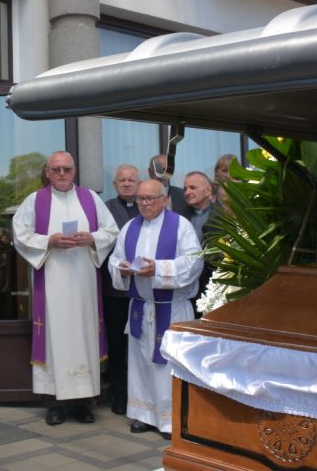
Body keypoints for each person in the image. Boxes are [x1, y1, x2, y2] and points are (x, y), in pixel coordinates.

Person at [12, 151, 118, 426]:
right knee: (55, 337)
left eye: (66, 169)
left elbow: (111, 231)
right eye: (56, 169)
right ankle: (55, 403)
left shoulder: (91, 198)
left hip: (84, 284)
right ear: (47, 172)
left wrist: (91, 238)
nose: (61, 174)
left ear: (74, 171)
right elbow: (20, 234)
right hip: (52, 283)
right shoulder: (36, 200)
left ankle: (83, 403)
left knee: (83, 336)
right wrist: (50, 241)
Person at [109, 178, 203, 441]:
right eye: (140, 198)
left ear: (164, 199)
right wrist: (122, 268)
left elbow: (194, 262)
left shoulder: (180, 226)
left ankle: (170, 419)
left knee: (167, 365)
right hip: (141, 306)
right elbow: (115, 259)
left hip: (170, 308)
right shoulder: (129, 227)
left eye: (150, 198)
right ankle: (144, 415)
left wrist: (158, 269)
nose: (144, 203)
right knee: (141, 363)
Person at [101, 164, 140, 415]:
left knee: (139, 345)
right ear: (114, 185)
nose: (126, 184)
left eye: (131, 180)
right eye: (121, 180)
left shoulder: (148, 207)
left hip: (145, 291)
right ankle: (118, 394)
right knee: (117, 343)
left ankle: (139, 395)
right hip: (115, 291)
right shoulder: (105, 209)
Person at [181, 171, 214, 239]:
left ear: (208, 190)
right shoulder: (181, 217)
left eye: (193, 188)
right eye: (185, 189)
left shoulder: (221, 216)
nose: (187, 192)